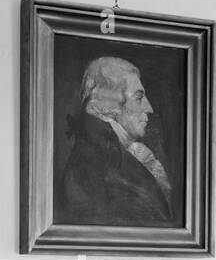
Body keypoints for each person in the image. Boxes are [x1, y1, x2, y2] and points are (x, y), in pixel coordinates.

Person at [56, 55, 174, 227]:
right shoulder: (91, 168)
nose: (149, 108)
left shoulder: (119, 154)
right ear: (110, 105)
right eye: (139, 98)